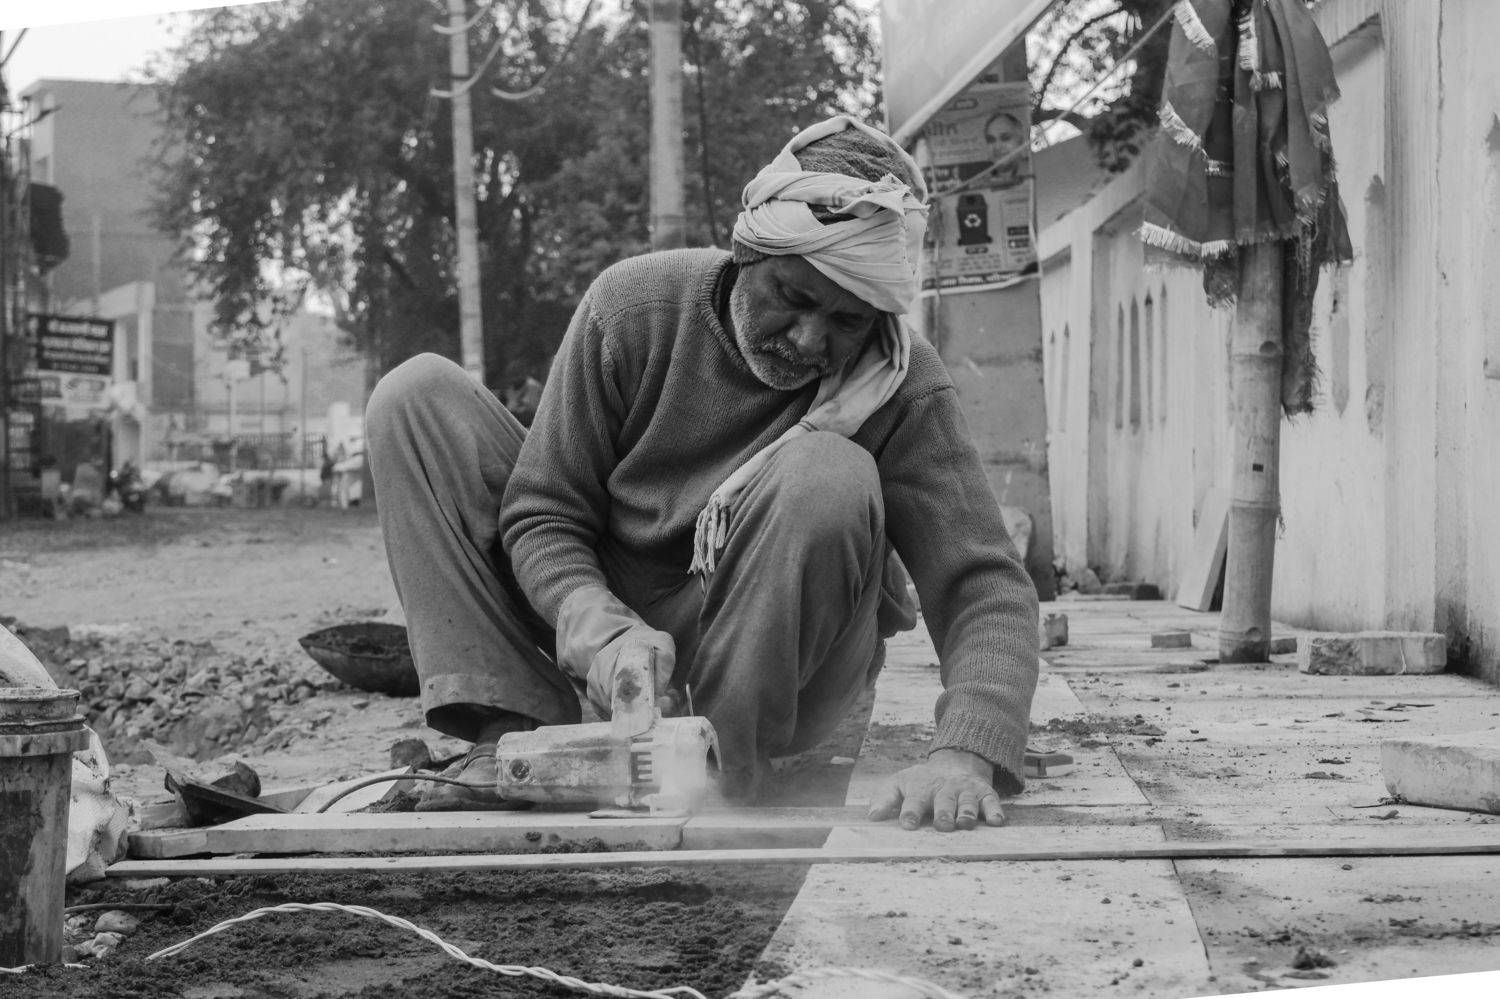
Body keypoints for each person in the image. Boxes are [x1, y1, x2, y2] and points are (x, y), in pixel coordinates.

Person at [367, 116, 1039, 831]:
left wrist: (966, 751)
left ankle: (715, 774)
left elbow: (984, 584)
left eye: (848, 321)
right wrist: (603, 633)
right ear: (748, 250)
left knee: (828, 471)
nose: (810, 339)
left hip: (779, 664)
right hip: (618, 624)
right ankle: (519, 739)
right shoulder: (632, 311)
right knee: (416, 397)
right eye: (794, 298)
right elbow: (544, 512)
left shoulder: (899, 382)